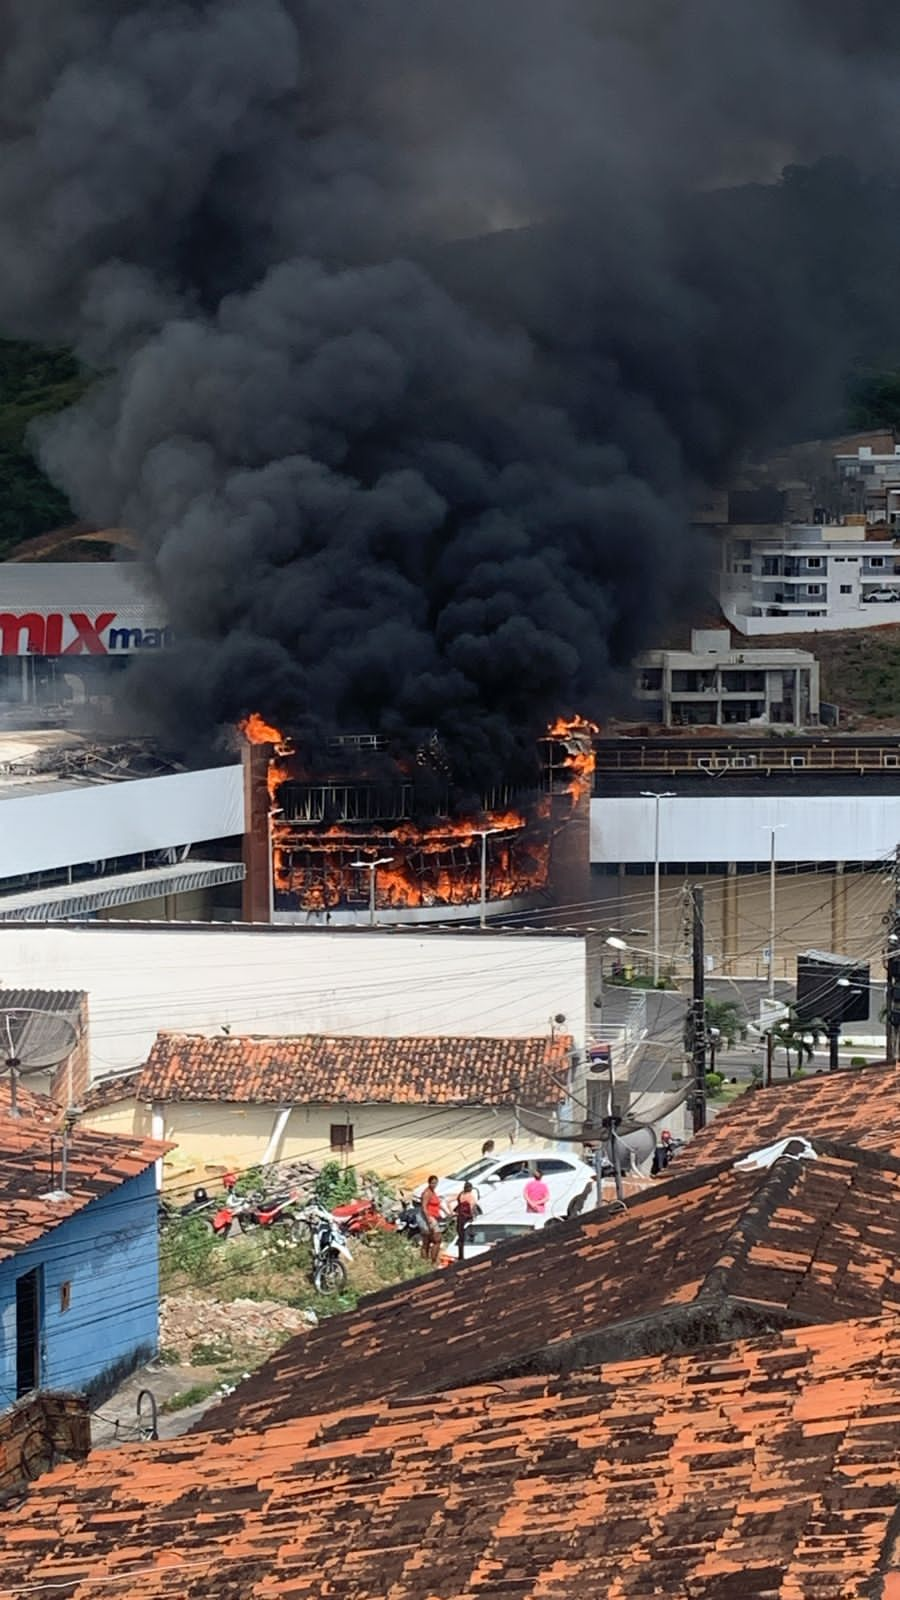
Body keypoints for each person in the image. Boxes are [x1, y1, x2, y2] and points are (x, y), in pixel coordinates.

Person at [419, 1175, 445, 1264]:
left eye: (435, 1183)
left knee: (427, 1240)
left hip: (432, 1217)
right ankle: (432, 1261)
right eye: (432, 1183)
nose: (434, 1184)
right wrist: (428, 1219)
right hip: (428, 1218)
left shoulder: (433, 1192)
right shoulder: (427, 1193)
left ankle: (425, 1261)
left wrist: (445, 1211)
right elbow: (424, 1207)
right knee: (437, 1240)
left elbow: (437, 1204)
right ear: (429, 1183)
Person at [453, 1179, 479, 1261]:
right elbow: (471, 1207)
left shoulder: (460, 1195)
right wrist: (473, 1217)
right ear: (470, 1188)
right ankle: (466, 1254)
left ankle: (461, 1255)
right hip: (467, 1217)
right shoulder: (470, 1196)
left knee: (461, 1237)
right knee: (469, 1235)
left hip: (460, 1218)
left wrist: (451, 1212)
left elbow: (448, 1201)